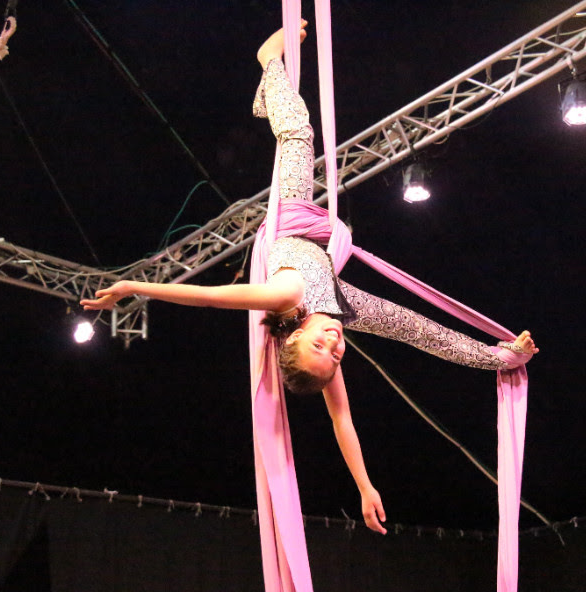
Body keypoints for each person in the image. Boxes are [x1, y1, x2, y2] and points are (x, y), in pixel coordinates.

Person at [82, 23, 537, 534]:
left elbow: (208, 296)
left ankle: (267, 61)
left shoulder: (286, 294)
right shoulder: (339, 321)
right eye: (335, 356)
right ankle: (499, 357)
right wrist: (365, 488)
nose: (336, 348)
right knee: (419, 331)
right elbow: (343, 421)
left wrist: (134, 287)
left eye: (322, 349)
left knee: (298, 132)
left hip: (295, 217)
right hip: (337, 279)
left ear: (295, 333)